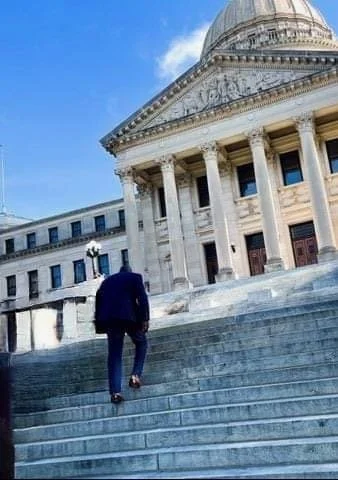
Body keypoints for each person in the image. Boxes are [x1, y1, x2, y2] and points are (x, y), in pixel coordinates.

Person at [94, 264, 150, 404]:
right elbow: (142, 299)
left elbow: (98, 301)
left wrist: (100, 322)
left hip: (110, 320)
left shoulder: (106, 281)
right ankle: (135, 375)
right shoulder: (135, 278)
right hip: (129, 318)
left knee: (114, 355)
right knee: (141, 342)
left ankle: (115, 392)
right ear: (130, 271)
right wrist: (145, 319)